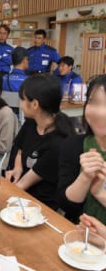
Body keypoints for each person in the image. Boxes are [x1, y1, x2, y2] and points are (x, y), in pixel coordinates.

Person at [5, 73, 73, 210]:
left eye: (22, 100)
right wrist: (18, 168)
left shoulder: (59, 142)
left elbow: (24, 183)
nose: (21, 104)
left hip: (39, 205)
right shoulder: (31, 122)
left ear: (35, 104)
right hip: (21, 192)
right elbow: (19, 148)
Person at [59, 75, 106, 223]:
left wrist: (99, 193)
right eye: (94, 102)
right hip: (76, 238)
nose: (101, 112)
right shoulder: (73, 145)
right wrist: (85, 177)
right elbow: (66, 206)